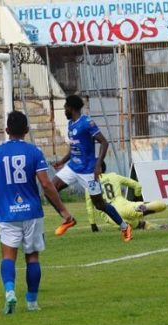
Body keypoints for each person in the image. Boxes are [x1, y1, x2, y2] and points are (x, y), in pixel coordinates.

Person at [0, 111, 74, 314]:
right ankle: (32, 302)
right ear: (26, 130)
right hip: (31, 212)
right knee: (32, 258)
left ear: (6, 130)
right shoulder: (34, 152)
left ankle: (10, 292)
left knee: (8, 257)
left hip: (7, 214)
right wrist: (63, 211)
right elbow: (46, 184)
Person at [51, 95, 132, 241]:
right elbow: (75, 146)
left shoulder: (87, 123)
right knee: (50, 189)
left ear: (71, 108)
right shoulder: (71, 124)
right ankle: (68, 219)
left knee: (100, 205)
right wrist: (62, 161)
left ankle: (124, 227)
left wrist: (98, 165)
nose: (64, 110)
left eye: (65, 107)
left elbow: (104, 142)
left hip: (88, 171)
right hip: (73, 167)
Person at [86, 161, 168, 231]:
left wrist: (93, 225)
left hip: (109, 216)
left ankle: (144, 222)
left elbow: (89, 208)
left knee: (134, 225)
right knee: (162, 206)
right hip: (122, 204)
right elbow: (137, 185)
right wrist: (137, 196)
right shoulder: (113, 176)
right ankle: (146, 207)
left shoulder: (89, 185)